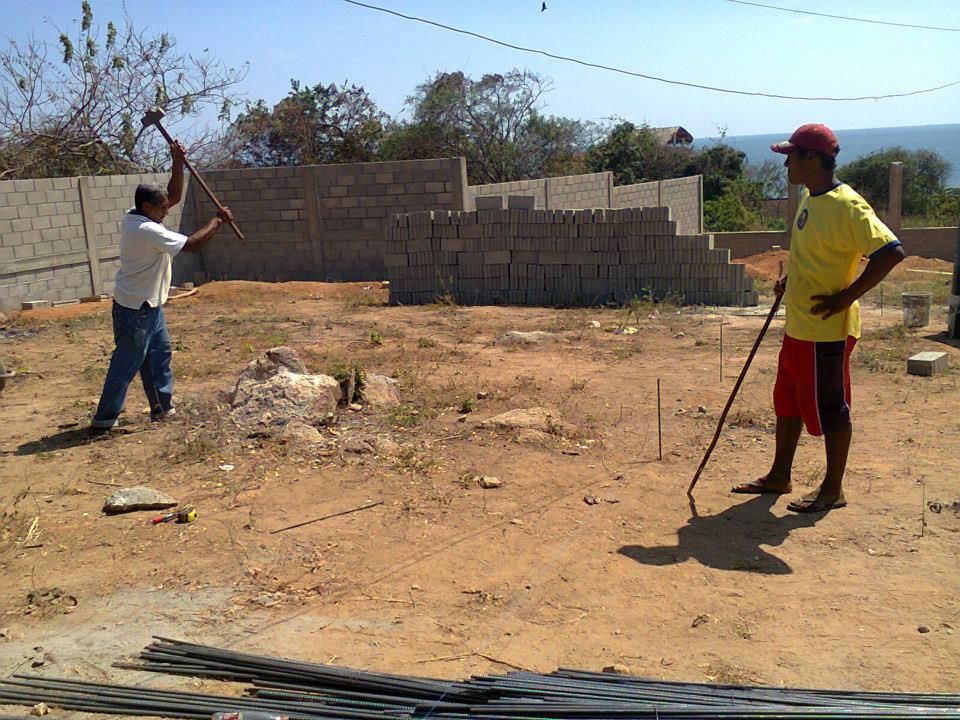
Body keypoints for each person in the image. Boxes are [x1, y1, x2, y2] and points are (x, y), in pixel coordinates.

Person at [732, 123, 905, 512]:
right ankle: (780, 475)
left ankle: (833, 489)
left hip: (826, 331)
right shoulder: (812, 197)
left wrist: (846, 297)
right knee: (788, 400)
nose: (786, 164)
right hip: (799, 326)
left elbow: (891, 252)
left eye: (791, 156)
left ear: (812, 159)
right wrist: (790, 280)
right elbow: (815, 253)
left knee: (831, 406)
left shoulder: (848, 205)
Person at [90, 141, 233, 431]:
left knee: (159, 355)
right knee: (127, 363)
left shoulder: (137, 214)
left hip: (149, 305)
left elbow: (174, 195)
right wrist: (217, 221)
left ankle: (161, 408)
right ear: (147, 207)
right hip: (134, 310)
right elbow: (192, 245)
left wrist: (177, 160)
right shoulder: (145, 229)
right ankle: (103, 420)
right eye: (162, 209)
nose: (167, 211)